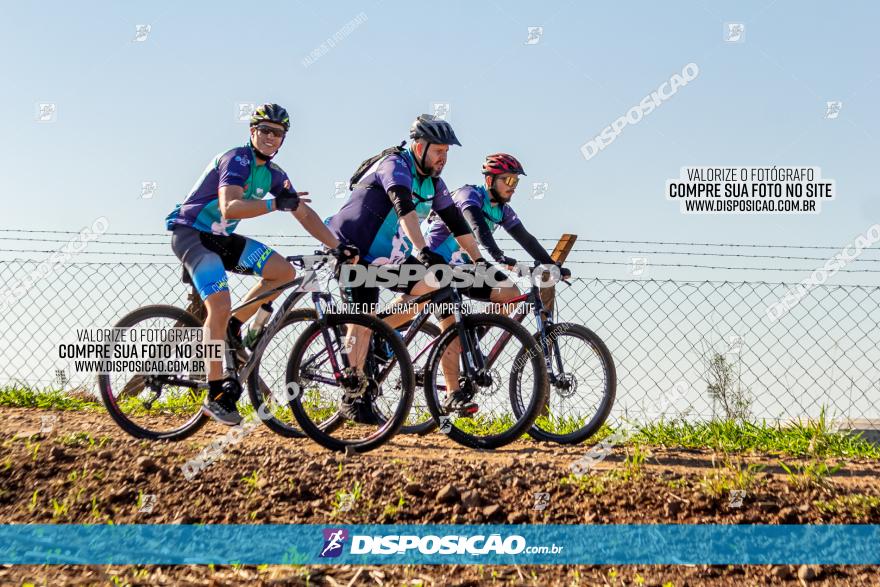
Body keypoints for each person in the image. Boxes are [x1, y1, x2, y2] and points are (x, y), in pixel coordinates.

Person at [165, 103, 351, 425]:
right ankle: (216, 393)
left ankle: (236, 326)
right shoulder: (236, 159)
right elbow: (230, 207)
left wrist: (339, 246)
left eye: (277, 133)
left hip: (220, 240)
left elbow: (303, 213)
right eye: (264, 130)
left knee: (283, 273)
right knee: (218, 306)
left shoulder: (276, 175)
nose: (269, 136)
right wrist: (274, 203)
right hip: (192, 234)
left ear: (283, 140)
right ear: (253, 132)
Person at [325, 114, 491, 422]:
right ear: (419, 146)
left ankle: (379, 332)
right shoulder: (395, 165)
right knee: (362, 319)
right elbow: (404, 208)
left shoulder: (433, 184)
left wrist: (479, 261)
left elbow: (456, 223)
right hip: (353, 251)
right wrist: (424, 249)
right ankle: (351, 397)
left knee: (432, 286)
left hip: (387, 258)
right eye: (438, 150)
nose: (444, 158)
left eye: (447, 152)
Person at [424, 152, 571, 290]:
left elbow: (527, 240)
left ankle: (489, 320)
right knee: (429, 308)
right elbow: (478, 226)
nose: (513, 187)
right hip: (435, 258)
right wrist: (498, 256)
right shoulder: (470, 195)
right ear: (489, 180)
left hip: (462, 265)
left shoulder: (503, 211)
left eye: (516, 182)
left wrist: (552, 266)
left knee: (510, 293)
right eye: (509, 180)